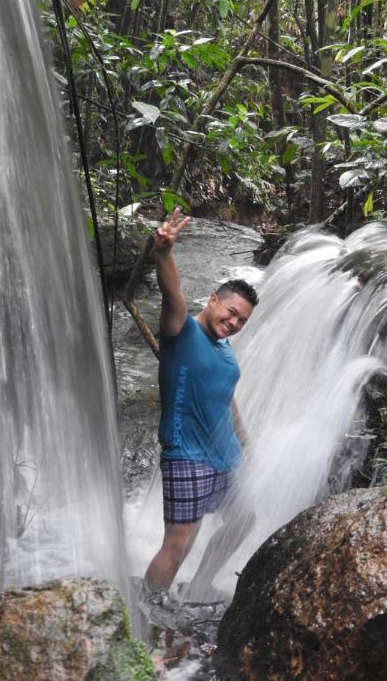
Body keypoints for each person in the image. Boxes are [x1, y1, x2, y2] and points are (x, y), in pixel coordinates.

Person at [144, 208, 258, 592]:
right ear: (213, 300)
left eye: (243, 321)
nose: (235, 324)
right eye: (232, 313)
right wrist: (164, 253)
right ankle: (144, 620)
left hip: (225, 460)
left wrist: (246, 443)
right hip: (188, 457)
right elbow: (172, 295)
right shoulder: (183, 331)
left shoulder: (224, 348)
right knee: (178, 545)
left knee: (243, 520)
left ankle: (200, 585)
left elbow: (226, 398)